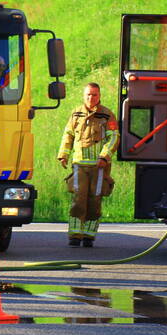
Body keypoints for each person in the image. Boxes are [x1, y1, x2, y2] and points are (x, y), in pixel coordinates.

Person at [57, 82, 119, 247]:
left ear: (99, 96)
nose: (91, 98)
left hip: (99, 168)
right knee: (78, 199)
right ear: (84, 96)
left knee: (95, 201)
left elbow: (113, 137)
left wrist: (104, 157)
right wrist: (63, 155)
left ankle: (89, 236)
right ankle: (75, 235)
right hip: (79, 166)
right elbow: (67, 135)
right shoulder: (76, 113)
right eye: (88, 95)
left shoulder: (107, 115)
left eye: (94, 95)